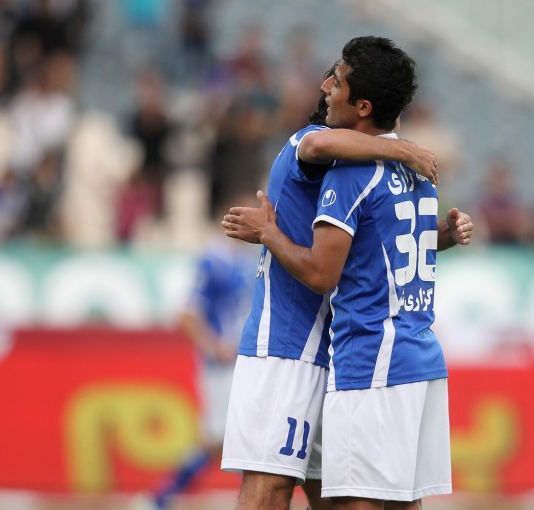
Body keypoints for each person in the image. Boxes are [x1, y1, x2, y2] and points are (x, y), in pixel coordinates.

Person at [223, 37, 472, 509]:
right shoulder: (313, 146)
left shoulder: (358, 168)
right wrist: (404, 150)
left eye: (335, 81)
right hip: (289, 344)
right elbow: (317, 142)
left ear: (362, 105)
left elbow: (378, 244)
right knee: (274, 486)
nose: (324, 88)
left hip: (344, 353)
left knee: (340, 495)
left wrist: (439, 231)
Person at [134, 200, 256, 510]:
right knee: (220, 438)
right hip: (221, 365)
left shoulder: (246, 261)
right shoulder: (212, 261)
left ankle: (162, 498)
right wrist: (214, 346)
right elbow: (187, 314)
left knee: (239, 435)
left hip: (244, 361)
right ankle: (160, 497)